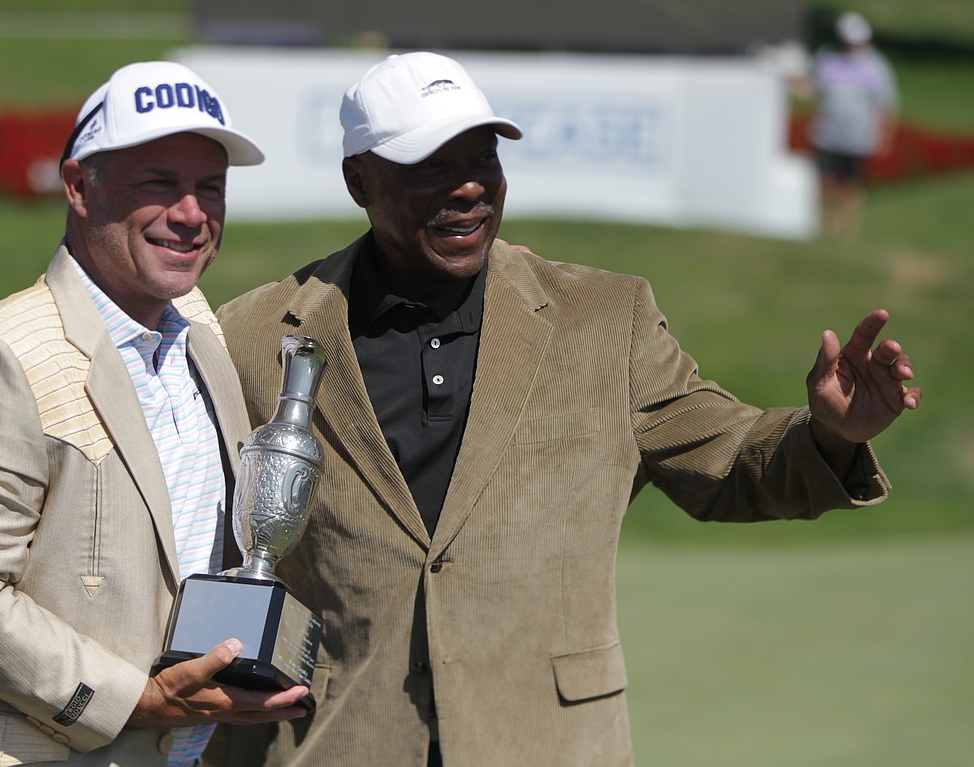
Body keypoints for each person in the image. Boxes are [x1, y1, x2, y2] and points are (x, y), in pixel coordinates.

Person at [209, 52, 922, 766]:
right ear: (358, 180)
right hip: (339, 743)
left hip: (548, 744)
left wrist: (826, 435)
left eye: (482, 157)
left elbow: (730, 459)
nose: (467, 187)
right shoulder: (252, 334)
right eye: (430, 165)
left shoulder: (607, 318)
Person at [0, 61, 309, 767]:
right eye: (158, 184)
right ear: (80, 187)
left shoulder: (202, 331)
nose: (191, 214)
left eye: (210, 188)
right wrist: (133, 700)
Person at [806, 11, 900, 240]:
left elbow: (887, 104)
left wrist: (885, 135)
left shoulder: (877, 66)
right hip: (827, 133)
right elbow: (812, 89)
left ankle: (845, 233)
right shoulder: (826, 58)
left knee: (850, 187)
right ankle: (823, 229)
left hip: (858, 136)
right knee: (825, 184)